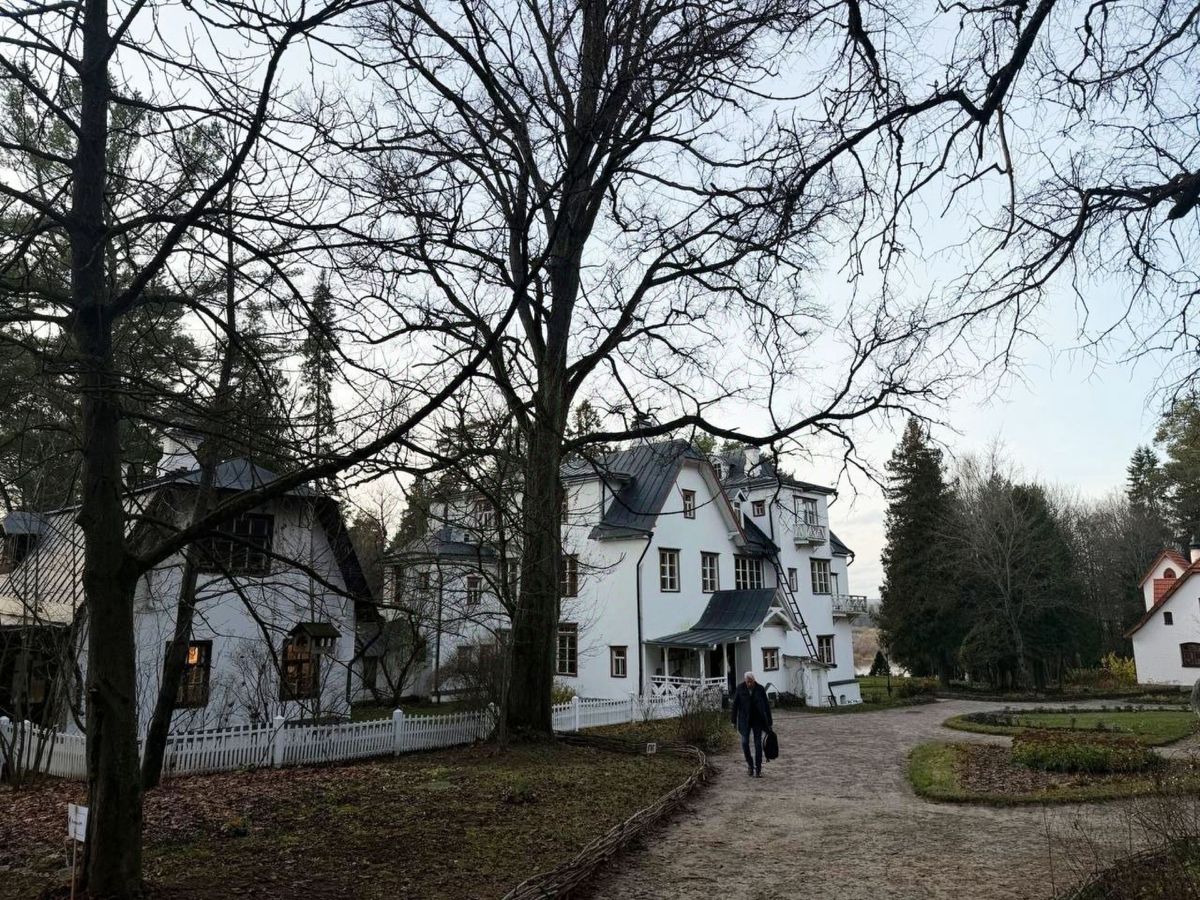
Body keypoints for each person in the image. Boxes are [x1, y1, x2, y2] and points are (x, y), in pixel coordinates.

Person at [730, 670, 772, 777]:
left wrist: (769, 721)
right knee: (744, 743)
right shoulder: (740, 688)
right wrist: (733, 721)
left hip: (757, 719)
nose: (749, 683)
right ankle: (750, 764)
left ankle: (758, 769)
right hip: (744, 720)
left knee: (758, 744)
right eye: (747, 681)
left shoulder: (760, 689)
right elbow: (735, 705)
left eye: (751, 681)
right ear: (745, 681)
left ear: (754, 680)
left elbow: (766, 706)